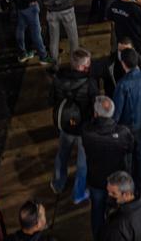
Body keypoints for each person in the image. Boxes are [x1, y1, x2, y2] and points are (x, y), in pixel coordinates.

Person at [83, 97, 133, 239]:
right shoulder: (123, 133)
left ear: (96, 114)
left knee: (97, 212)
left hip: (97, 181)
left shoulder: (88, 133)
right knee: (119, 213)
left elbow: (86, 126)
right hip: (117, 182)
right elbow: (130, 148)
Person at [51, 48, 97, 203]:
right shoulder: (90, 83)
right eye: (88, 64)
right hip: (83, 128)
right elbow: (94, 105)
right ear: (82, 67)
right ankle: (78, 194)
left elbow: (52, 98)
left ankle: (58, 184)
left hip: (66, 125)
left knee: (62, 154)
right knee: (82, 164)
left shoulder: (59, 77)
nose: (90, 66)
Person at [111, 48, 141, 193]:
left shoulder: (123, 84)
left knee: (127, 159)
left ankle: (128, 187)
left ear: (123, 64)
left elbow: (117, 112)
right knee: (140, 152)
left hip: (128, 127)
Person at [102, 171, 141, 241]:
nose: (109, 196)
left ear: (127, 194)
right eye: (108, 191)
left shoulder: (119, 224)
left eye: (113, 194)